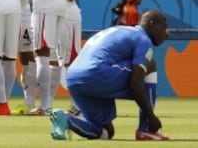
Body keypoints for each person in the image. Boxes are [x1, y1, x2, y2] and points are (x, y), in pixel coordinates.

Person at [50, 10, 170, 141]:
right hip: (96, 73)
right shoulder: (143, 39)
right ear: (152, 24)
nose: (166, 34)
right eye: (163, 28)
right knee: (150, 66)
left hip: (74, 79)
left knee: (106, 132)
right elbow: (135, 84)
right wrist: (151, 116)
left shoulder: (121, 30)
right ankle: (146, 129)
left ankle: (65, 120)